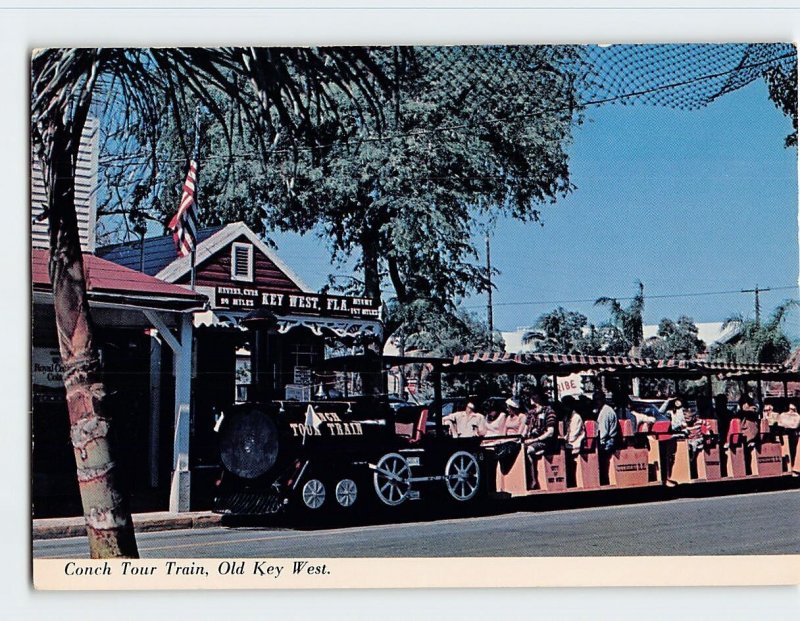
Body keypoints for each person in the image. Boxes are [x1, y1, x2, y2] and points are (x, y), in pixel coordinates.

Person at [593, 390, 619, 454]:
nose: (596, 402)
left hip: (608, 443)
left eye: (598, 399)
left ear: (603, 399)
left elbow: (603, 433)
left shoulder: (605, 412)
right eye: (595, 400)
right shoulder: (602, 410)